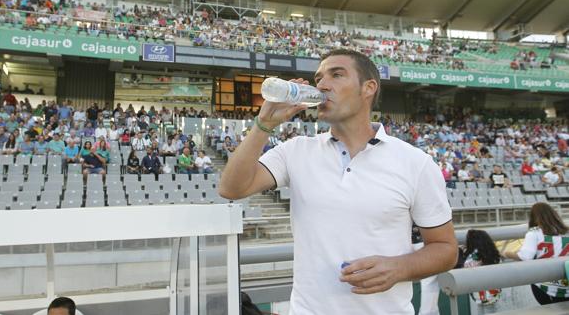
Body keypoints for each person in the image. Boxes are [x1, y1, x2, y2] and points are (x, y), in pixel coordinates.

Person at [219, 49, 457, 314]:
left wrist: (399, 268)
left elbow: (446, 249)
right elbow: (231, 188)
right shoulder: (295, 150)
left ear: (368, 88)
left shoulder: (416, 163)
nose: (322, 85)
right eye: (319, 78)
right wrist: (264, 123)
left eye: (337, 74)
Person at [503, 203, 569, 305]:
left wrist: (507, 254)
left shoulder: (534, 233)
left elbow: (525, 257)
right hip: (566, 282)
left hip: (544, 284)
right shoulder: (567, 231)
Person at [460, 230, 502, 305]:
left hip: (477, 299)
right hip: (496, 296)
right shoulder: (493, 254)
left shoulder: (470, 256)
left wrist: (461, 252)